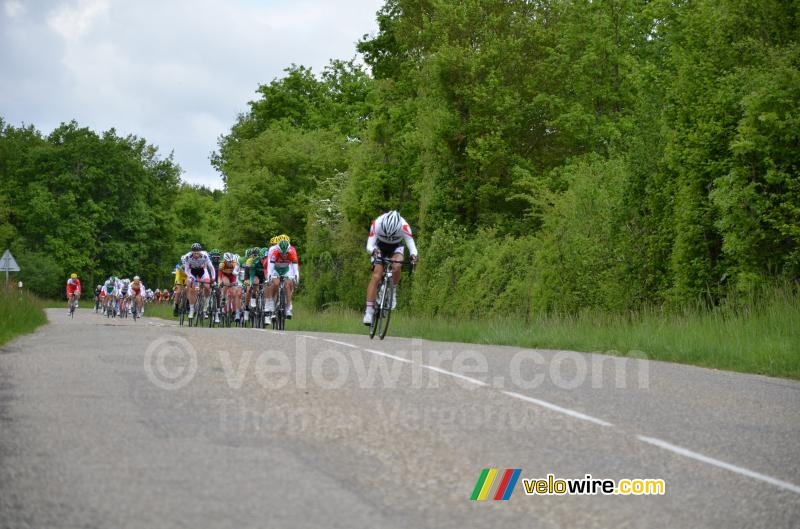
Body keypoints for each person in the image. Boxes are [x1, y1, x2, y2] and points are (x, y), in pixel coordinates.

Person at [363, 210, 418, 325]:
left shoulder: (404, 226)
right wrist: (374, 252)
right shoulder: (377, 223)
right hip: (379, 247)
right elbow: (369, 245)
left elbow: (411, 244)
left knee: (397, 265)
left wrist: (414, 256)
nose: (389, 236)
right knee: (376, 275)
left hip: (396, 247)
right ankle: (369, 312)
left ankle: (392, 289)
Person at [264, 239, 299, 318]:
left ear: (288, 250)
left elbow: (295, 269)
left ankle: (288, 307)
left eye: (286, 253)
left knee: (288, 284)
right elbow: (270, 268)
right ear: (278, 250)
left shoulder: (292, 253)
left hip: (286, 270)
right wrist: (270, 277)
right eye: (282, 253)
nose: (284, 255)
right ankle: (272, 302)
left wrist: (296, 278)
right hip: (275, 270)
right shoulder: (274, 253)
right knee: (275, 283)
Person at [182, 243, 215, 319]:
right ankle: (192, 309)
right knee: (192, 287)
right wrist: (190, 276)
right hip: (192, 271)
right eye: (194, 253)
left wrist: (213, 277)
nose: (196, 254)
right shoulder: (187, 257)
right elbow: (186, 269)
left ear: (200, 252)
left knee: (207, 286)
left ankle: (205, 307)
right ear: (192, 252)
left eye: (198, 252)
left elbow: (211, 267)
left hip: (202, 271)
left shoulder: (205, 255)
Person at [218, 252, 242, 322]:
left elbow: (236, 273)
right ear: (225, 260)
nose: (230, 263)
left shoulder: (234, 263)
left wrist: (237, 282)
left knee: (234, 293)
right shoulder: (222, 264)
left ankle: (234, 311)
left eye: (231, 261)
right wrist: (219, 282)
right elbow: (219, 275)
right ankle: (223, 297)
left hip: (232, 276)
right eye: (228, 261)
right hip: (225, 276)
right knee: (226, 283)